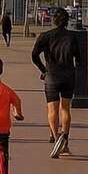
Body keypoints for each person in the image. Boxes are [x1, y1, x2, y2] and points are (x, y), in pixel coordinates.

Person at [31, 8, 82, 157]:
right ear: (67, 21)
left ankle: (56, 138)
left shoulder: (45, 36)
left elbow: (34, 55)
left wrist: (43, 70)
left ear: (54, 20)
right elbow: (78, 58)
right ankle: (65, 141)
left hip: (52, 76)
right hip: (68, 76)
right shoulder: (72, 37)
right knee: (65, 109)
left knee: (52, 109)